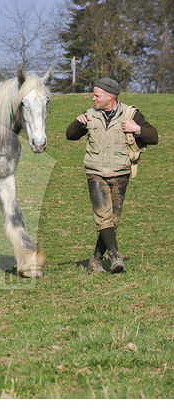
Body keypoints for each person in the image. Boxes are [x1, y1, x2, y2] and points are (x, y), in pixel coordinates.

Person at [66, 78, 158, 273]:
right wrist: (77, 122)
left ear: (111, 97)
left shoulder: (130, 114)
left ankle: (96, 260)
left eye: (97, 95)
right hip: (95, 173)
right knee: (103, 217)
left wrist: (137, 129)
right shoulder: (90, 115)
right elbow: (70, 135)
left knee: (112, 221)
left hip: (120, 173)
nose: (93, 99)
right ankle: (115, 255)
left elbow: (154, 136)